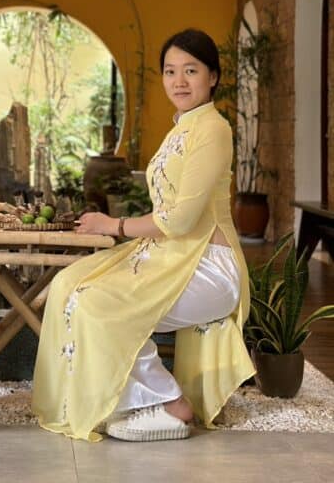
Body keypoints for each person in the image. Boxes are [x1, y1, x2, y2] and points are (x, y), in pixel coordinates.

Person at [32, 28, 255, 442]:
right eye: (170, 71)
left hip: (210, 267)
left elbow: (180, 220)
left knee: (97, 303)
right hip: (172, 256)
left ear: (213, 77)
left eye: (191, 70)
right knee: (69, 285)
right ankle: (124, 399)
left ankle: (170, 403)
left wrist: (113, 226)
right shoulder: (182, 128)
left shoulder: (213, 129)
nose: (179, 81)